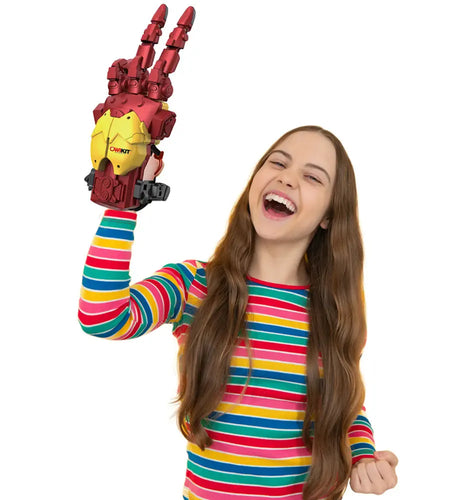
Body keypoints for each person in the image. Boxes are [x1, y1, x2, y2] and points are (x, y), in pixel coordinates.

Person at [79, 125, 398, 499]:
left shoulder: (333, 312)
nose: (287, 178)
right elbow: (102, 317)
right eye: (277, 163)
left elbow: (347, 406)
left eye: (312, 177)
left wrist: (364, 458)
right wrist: (122, 205)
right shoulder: (195, 285)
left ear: (329, 214)